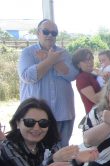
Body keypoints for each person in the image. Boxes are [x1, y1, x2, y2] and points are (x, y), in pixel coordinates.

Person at [18, 19, 78, 147]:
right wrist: (50, 61)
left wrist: (51, 60)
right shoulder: (27, 53)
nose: (50, 35)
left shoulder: (63, 53)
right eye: (46, 31)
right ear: (38, 33)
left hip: (63, 114)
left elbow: (72, 75)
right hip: (35, 118)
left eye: (54, 33)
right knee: (35, 154)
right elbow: (27, 76)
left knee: (62, 153)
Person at [72, 48, 103, 114]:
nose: (90, 61)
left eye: (91, 58)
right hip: (95, 115)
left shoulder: (92, 74)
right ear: (78, 65)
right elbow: (95, 99)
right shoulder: (82, 78)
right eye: (85, 60)